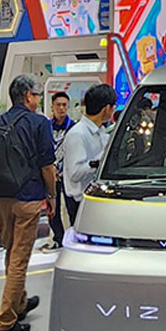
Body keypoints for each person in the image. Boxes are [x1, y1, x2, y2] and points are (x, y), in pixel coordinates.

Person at [0, 75, 58, 331]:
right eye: (38, 94)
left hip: (2, 196)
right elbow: (47, 165)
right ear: (28, 96)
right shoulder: (39, 123)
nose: (39, 99)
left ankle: (19, 302)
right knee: (20, 259)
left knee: (11, 253)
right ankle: (6, 321)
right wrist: (51, 195)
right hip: (28, 196)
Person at [61, 83, 117, 226]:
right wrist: (100, 160)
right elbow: (75, 173)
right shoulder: (77, 134)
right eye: (113, 107)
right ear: (106, 109)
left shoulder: (101, 132)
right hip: (80, 202)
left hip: (96, 198)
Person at [44, 91, 74, 250]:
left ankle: (74, 238)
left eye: (64, 105)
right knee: (52, 209)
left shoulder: (73, 127)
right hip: (50, 174)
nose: (61, 108)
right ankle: (58, 238)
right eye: (58, 105)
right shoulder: (45, 127)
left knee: (71, 208)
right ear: (52, 106)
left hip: (68, 174)